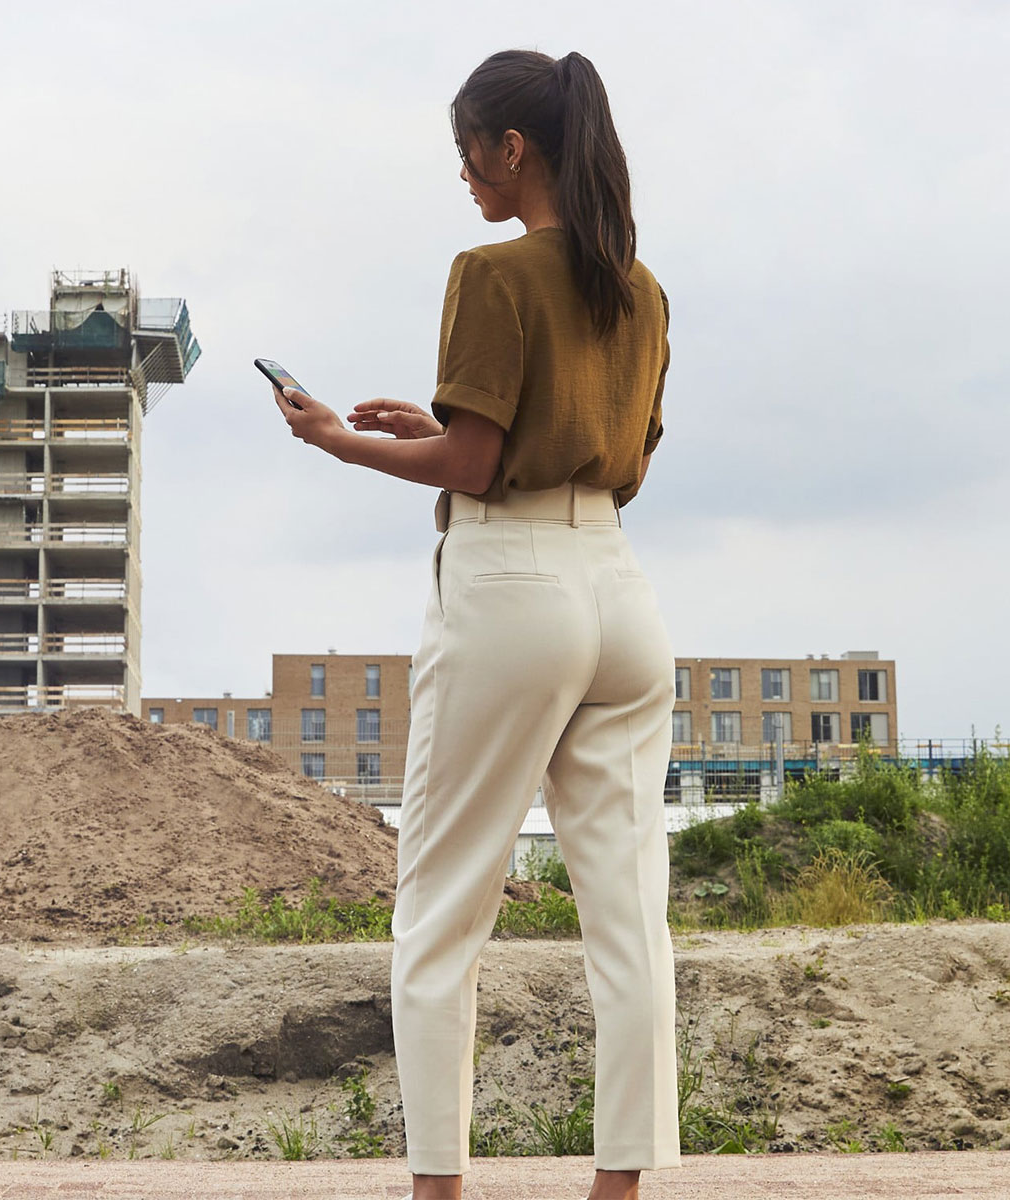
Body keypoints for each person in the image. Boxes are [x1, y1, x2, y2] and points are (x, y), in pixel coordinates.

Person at [272, 48, 676, 1200]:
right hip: (619, 591)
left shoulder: (489, 273)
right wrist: (434, 421)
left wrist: (343, 438)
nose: (461, 171)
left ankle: (440, 1190)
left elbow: (479, 463)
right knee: (628, 919)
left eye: (468, 147)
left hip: (512, 593)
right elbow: (621, 456)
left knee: (442, 914)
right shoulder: (640, 290)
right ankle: (619, 1190)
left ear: (514, 148)